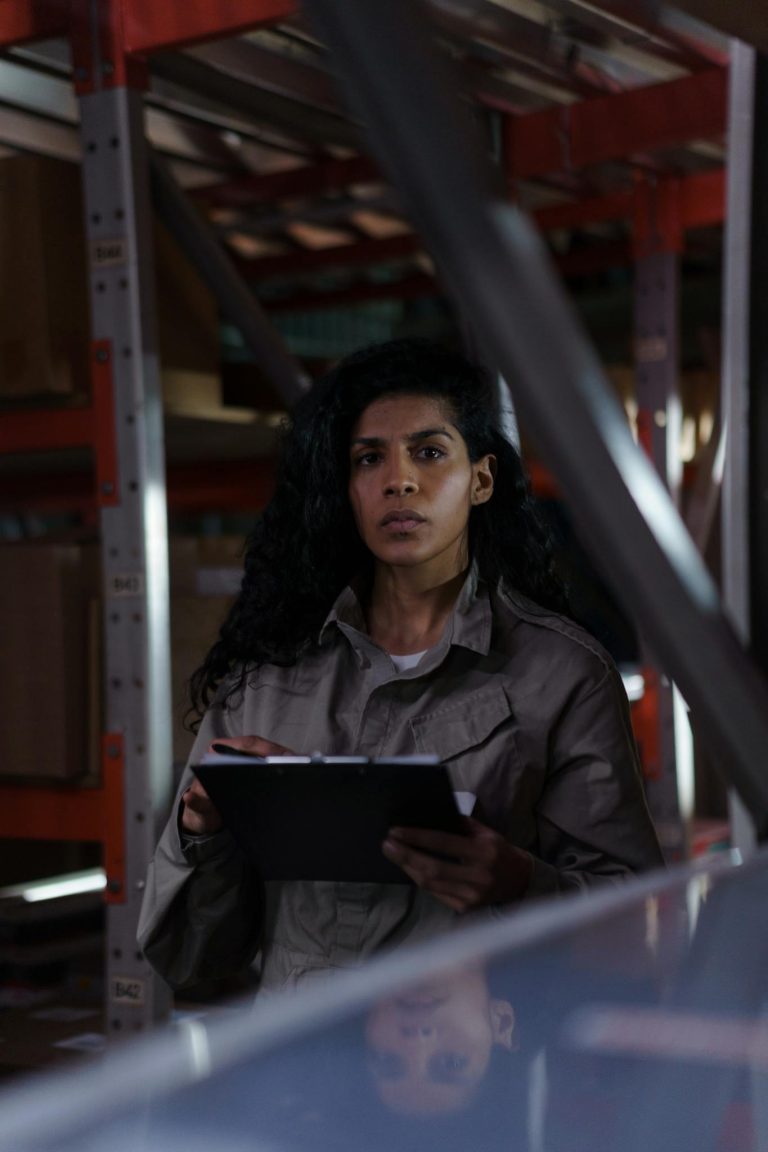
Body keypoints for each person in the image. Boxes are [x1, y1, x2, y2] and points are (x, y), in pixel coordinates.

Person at [138, 337, 663, 995]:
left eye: (429, 451)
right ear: (348, 489)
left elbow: (638, 929)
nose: (398, 479)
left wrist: (521, 883)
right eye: (368, 458)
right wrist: (203, 830)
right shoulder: (265, 679)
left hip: (473, 1075)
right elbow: (189, 959)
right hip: (304, 1076)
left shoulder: (561, 676)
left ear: (481, 480)